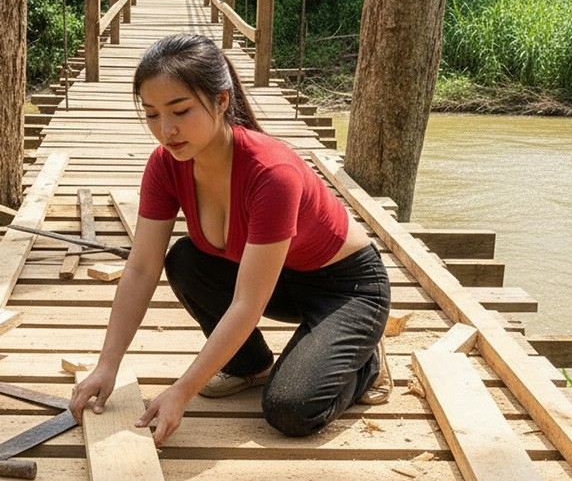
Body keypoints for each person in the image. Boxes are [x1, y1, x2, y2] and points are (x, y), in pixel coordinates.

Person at [68, 34, 391, 447]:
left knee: (291, 409)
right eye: (151, 114)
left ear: (222, 100)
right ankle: (248, 365)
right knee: (184, 260)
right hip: (277, 280)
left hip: (346, 290)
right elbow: (142, 268)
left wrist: (181, 391)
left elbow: (247, 304)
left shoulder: (272, 173)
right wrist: (107, 365)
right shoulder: (165, 165)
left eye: (180, 110)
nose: (166, 130)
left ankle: (364, 361)